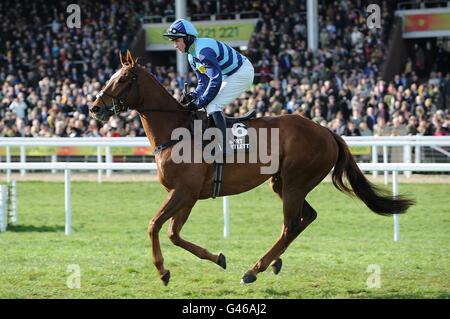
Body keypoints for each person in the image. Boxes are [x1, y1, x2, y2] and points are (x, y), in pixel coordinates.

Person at [163, 18, 254, 158]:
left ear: (187, 38)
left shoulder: (203, 51)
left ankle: (224, 148)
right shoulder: (191, 56)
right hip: (228, 75)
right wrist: (194, 95)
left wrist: (200, 101)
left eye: (177, 40)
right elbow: (203, 82)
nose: (175, 45)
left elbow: (215, 80)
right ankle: (207, 142)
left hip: (242, 72)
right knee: (202, 106)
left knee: (212, 104)